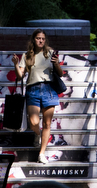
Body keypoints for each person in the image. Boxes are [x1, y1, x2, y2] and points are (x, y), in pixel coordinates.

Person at [14, 29, 63, 164]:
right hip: (33, 90)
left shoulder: (50, 53)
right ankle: (38, 135)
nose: (41, 40)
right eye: (38, 38)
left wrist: (56, 63)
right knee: (34, 122)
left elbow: (60, 73)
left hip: (49, 89)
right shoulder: (27, 56)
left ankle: (42, 154)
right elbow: (20, 76)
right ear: (33, 40)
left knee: (47, 123)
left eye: (42, 38)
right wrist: (15, 64)